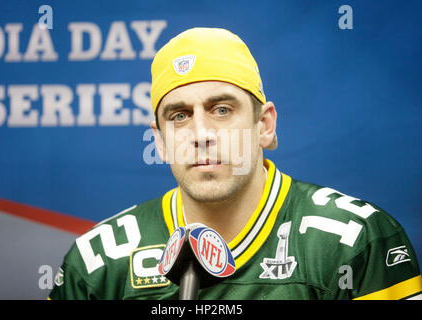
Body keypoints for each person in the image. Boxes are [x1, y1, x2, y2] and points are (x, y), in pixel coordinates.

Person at [48, 27, 421, 300]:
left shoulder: (355, 241)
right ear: (159, 141)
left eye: (222, 109)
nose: (201, 133)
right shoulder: (99, 262)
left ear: (264, 125)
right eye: (179, 116)